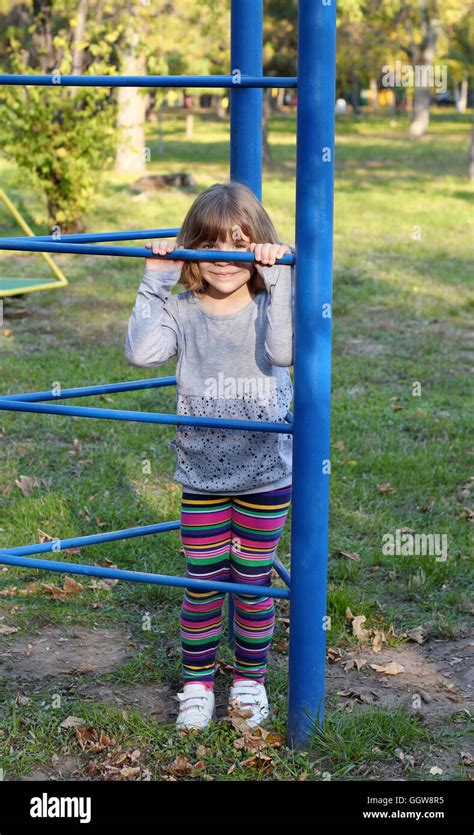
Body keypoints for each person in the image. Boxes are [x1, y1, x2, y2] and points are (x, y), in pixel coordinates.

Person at [125, 181, 294, 731]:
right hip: (202, 477)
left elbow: (284, 351)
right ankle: (197, 686)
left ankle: (248, 681)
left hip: (265, 474)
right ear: (192, 248)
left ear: (258, 246)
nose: (224, 258)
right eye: (210, 244)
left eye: (240, 244)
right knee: (202, 584)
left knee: (251, 584)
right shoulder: (182, 310)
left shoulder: (269, 305)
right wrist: (155, 280)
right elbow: (140, 353)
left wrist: (280, 275)